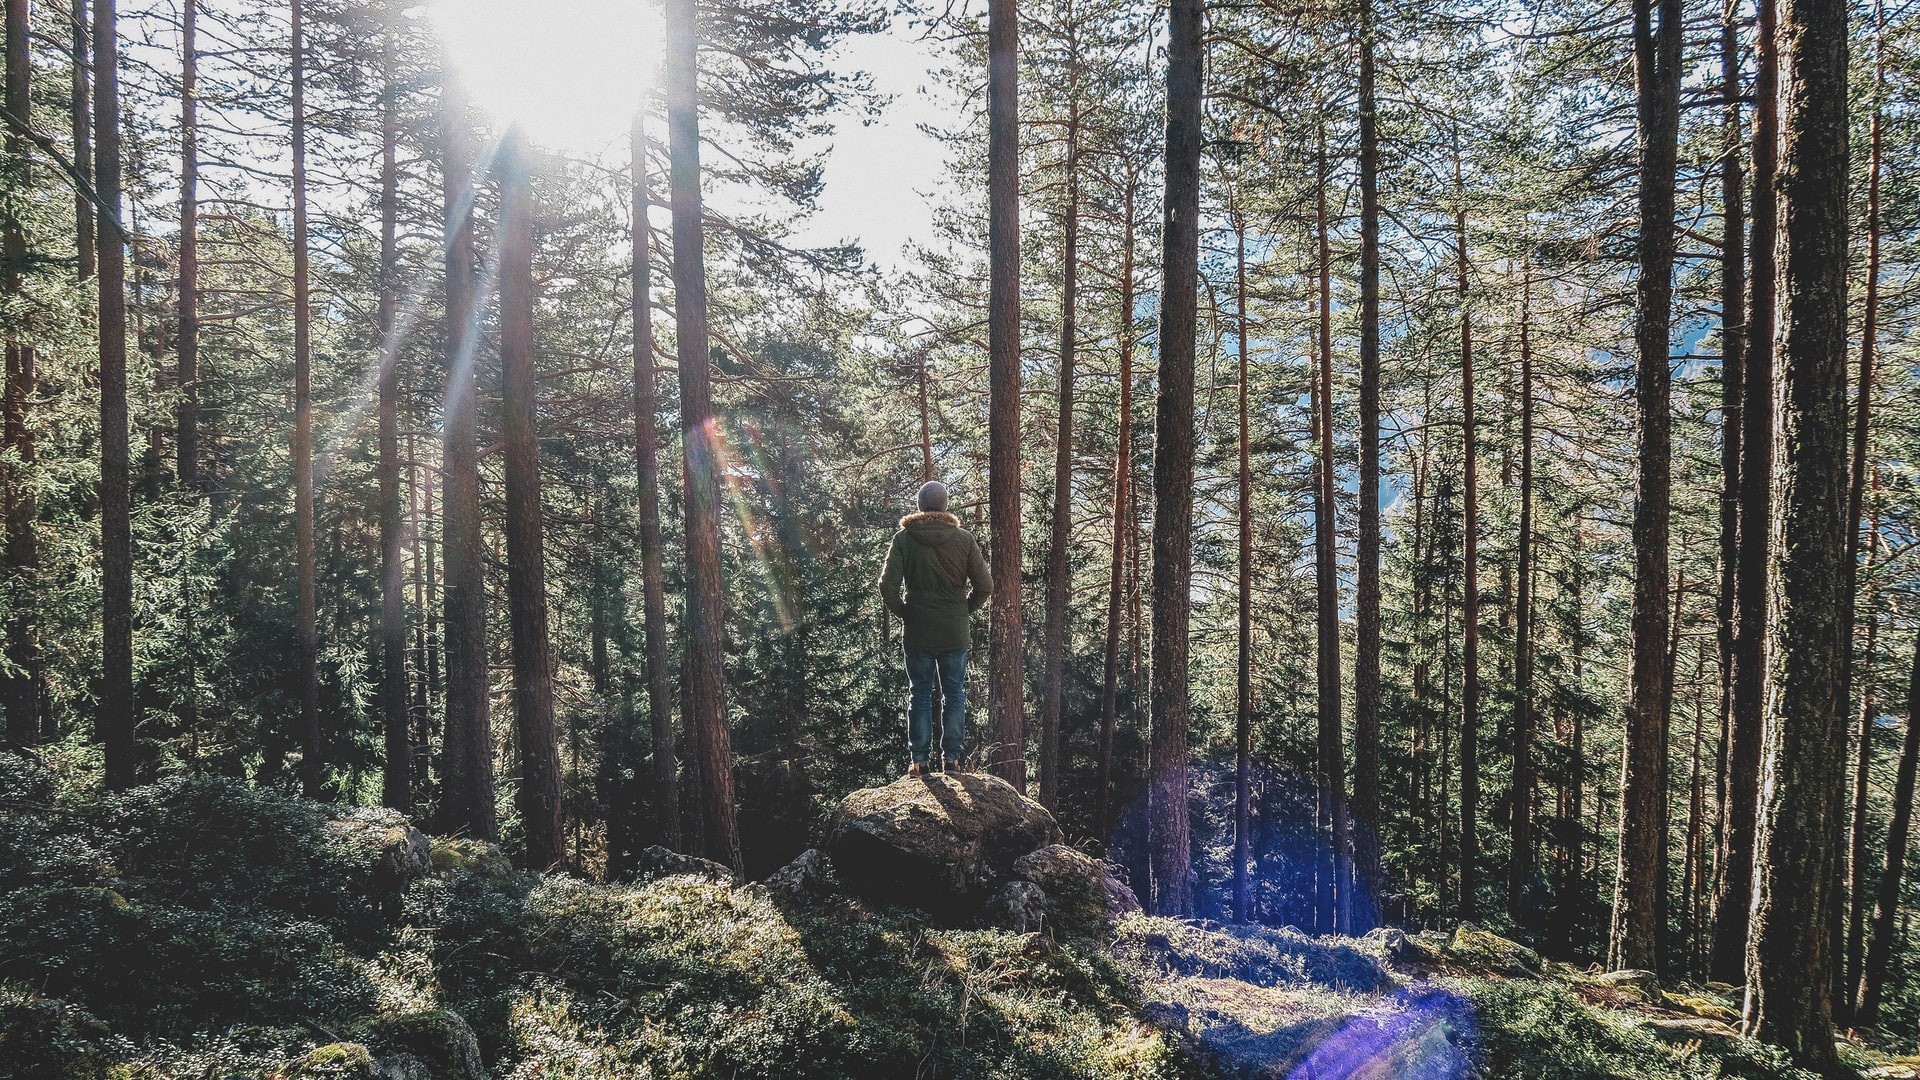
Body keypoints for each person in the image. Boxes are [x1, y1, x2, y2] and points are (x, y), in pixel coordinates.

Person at [878, 480, 992, 777]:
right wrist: (963, 610)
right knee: (954, 693)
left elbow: (886, 586)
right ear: (944, 505)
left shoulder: (904, 539)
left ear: (920, 505)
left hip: (918, 631)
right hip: (954, 630)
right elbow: (985, 586)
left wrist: (906, 612)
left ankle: (919, 761)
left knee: (919, 694)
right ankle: (952, 760)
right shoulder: (964, 539)